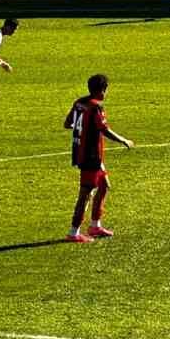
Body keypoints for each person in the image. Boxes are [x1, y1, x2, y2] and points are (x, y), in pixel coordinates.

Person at [65, 74, 135, 242]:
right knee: (86, 193)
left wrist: (81, 131)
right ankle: (73, 232)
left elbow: (67, 124)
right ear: (102, 90)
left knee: (104, 185)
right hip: (91, 156)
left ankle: (95, 226)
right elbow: (104, 129)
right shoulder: (96, 107)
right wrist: (123, 140)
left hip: (83, 152)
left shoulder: (79, 103)